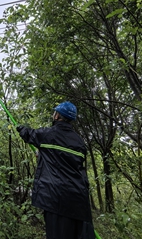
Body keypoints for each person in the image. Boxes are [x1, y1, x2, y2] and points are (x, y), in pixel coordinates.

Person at [16, 101, 95, 239]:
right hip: (79, 200)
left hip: (57, 199)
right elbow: (68, 163)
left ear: (57, 116)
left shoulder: (48, 134)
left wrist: (19, 128)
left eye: (55, 112)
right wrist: (43, 154)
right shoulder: (80, 142)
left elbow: (28, 134)